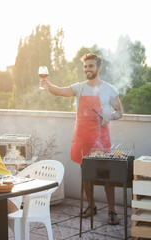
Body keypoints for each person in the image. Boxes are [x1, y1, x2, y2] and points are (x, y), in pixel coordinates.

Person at [40, 53, 124, 225]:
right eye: (85, 67)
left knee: (107, 175)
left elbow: (120, 113)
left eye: (91, 66)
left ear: (99, 68)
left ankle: (111, 210)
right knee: (86, 174)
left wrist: (108, 117)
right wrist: (48, 85)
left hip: (101, 139)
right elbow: (59, 92)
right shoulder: (79, 88)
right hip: (82, 137)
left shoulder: (109, 89)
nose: (87, 69)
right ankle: (91, 206)